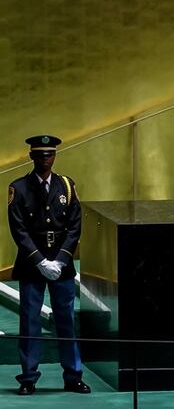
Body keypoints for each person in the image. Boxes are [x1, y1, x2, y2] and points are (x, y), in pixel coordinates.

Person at [8, 135, 91, 395]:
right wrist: (40, 260)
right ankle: (28, 378)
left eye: (49, 154)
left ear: (55, 156)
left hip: (61, 263)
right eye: (40, 155)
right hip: (32, 263)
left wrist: (62, 259)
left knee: (66, 320)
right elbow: (18, 229)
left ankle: (73, 376)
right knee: (30, 322)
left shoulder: (66, 186)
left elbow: (75, 225)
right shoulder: (19, 188)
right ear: (32, 156)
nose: (45, 159)